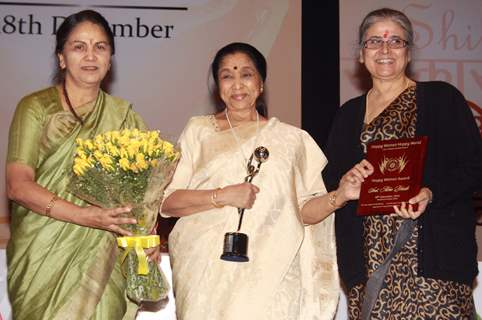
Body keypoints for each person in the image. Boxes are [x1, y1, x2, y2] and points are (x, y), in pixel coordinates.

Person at [161, 42, 365, 320]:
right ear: (217, 86)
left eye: (246, 74)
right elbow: (168, 203)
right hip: (205, 272)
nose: (237, 85)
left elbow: (303, 212)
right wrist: (221, 196)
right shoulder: (199, 131)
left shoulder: (292, 140)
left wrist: (339, 196)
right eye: (227, 76)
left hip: (273, 272)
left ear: (260, 83)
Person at [323, 8, 482, 320]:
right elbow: (329, 185)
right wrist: (345, 186)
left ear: (409, 53)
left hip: (435, 266)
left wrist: (431, 192)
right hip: (369, 268)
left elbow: (475, 167)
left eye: (396, 41)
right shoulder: (346, 115)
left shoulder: (441, 99)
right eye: (374, 42)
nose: (385, 50)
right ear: (360, 54)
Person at [6, 10, 154, 320]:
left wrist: (145, 238)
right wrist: (86, 216)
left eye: (100, 47)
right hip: (43, 254)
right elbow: (17, 185)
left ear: (110, 58)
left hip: (103, 257)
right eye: (78, 46)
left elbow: (143, 197)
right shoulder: (35, 108)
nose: (91, 55)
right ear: (61, 58)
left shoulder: (125, 117)